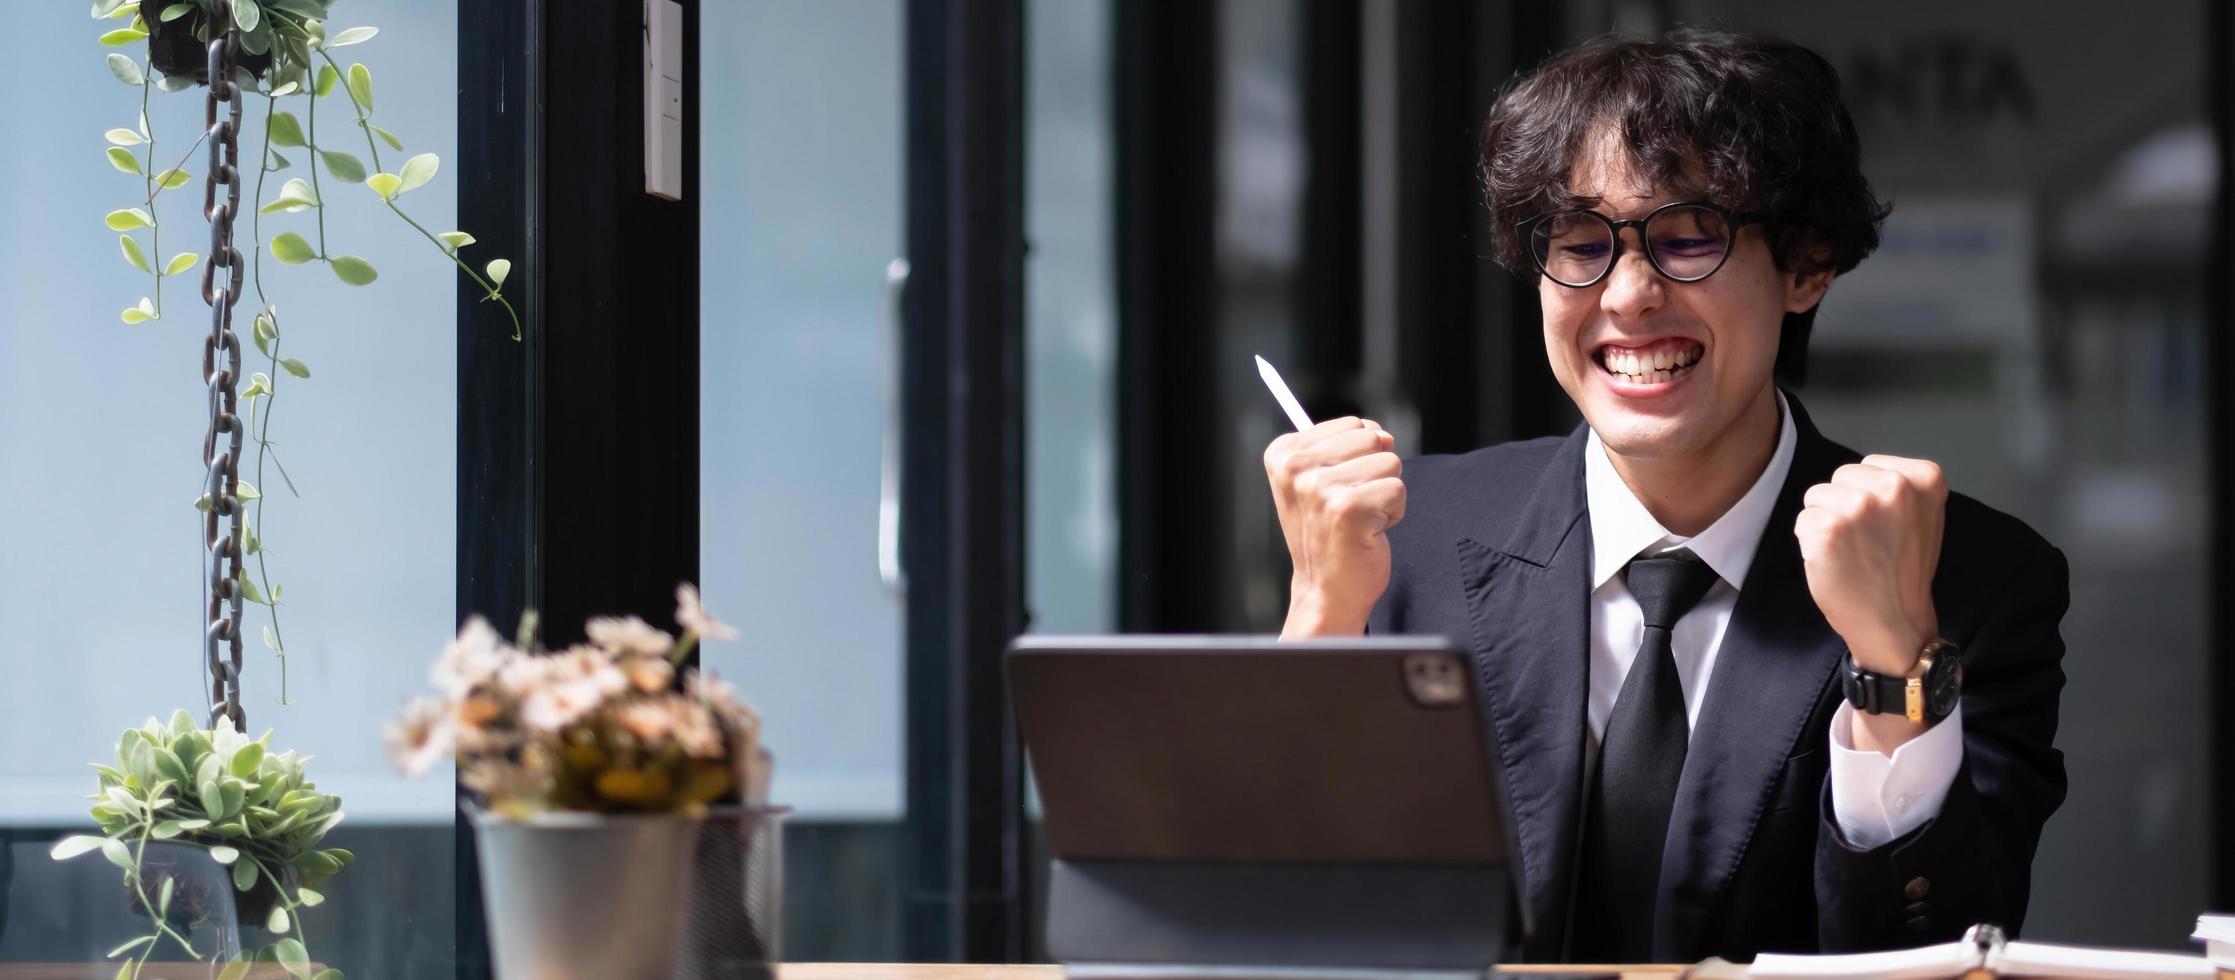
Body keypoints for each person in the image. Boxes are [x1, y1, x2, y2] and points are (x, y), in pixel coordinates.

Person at [1264, 29, 2066, 964]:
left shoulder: (1978, 580)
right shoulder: (1409, 537)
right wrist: (1320, 614)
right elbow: (1270, 920)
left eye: (1689, 237)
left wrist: (1891, 658)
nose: (1629, 294)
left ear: (1805, 265)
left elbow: (1942, 950)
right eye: (1578, 242)